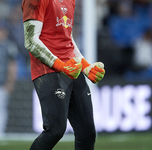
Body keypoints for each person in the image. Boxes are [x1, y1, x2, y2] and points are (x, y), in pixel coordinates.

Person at [21, 0, 105, 150]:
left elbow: (67, 39)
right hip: (48, 70)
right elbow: (31, 41)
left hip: (71, 69)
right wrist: (61, 65)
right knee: (55, 130)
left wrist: (85, 66)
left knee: (88, 133)